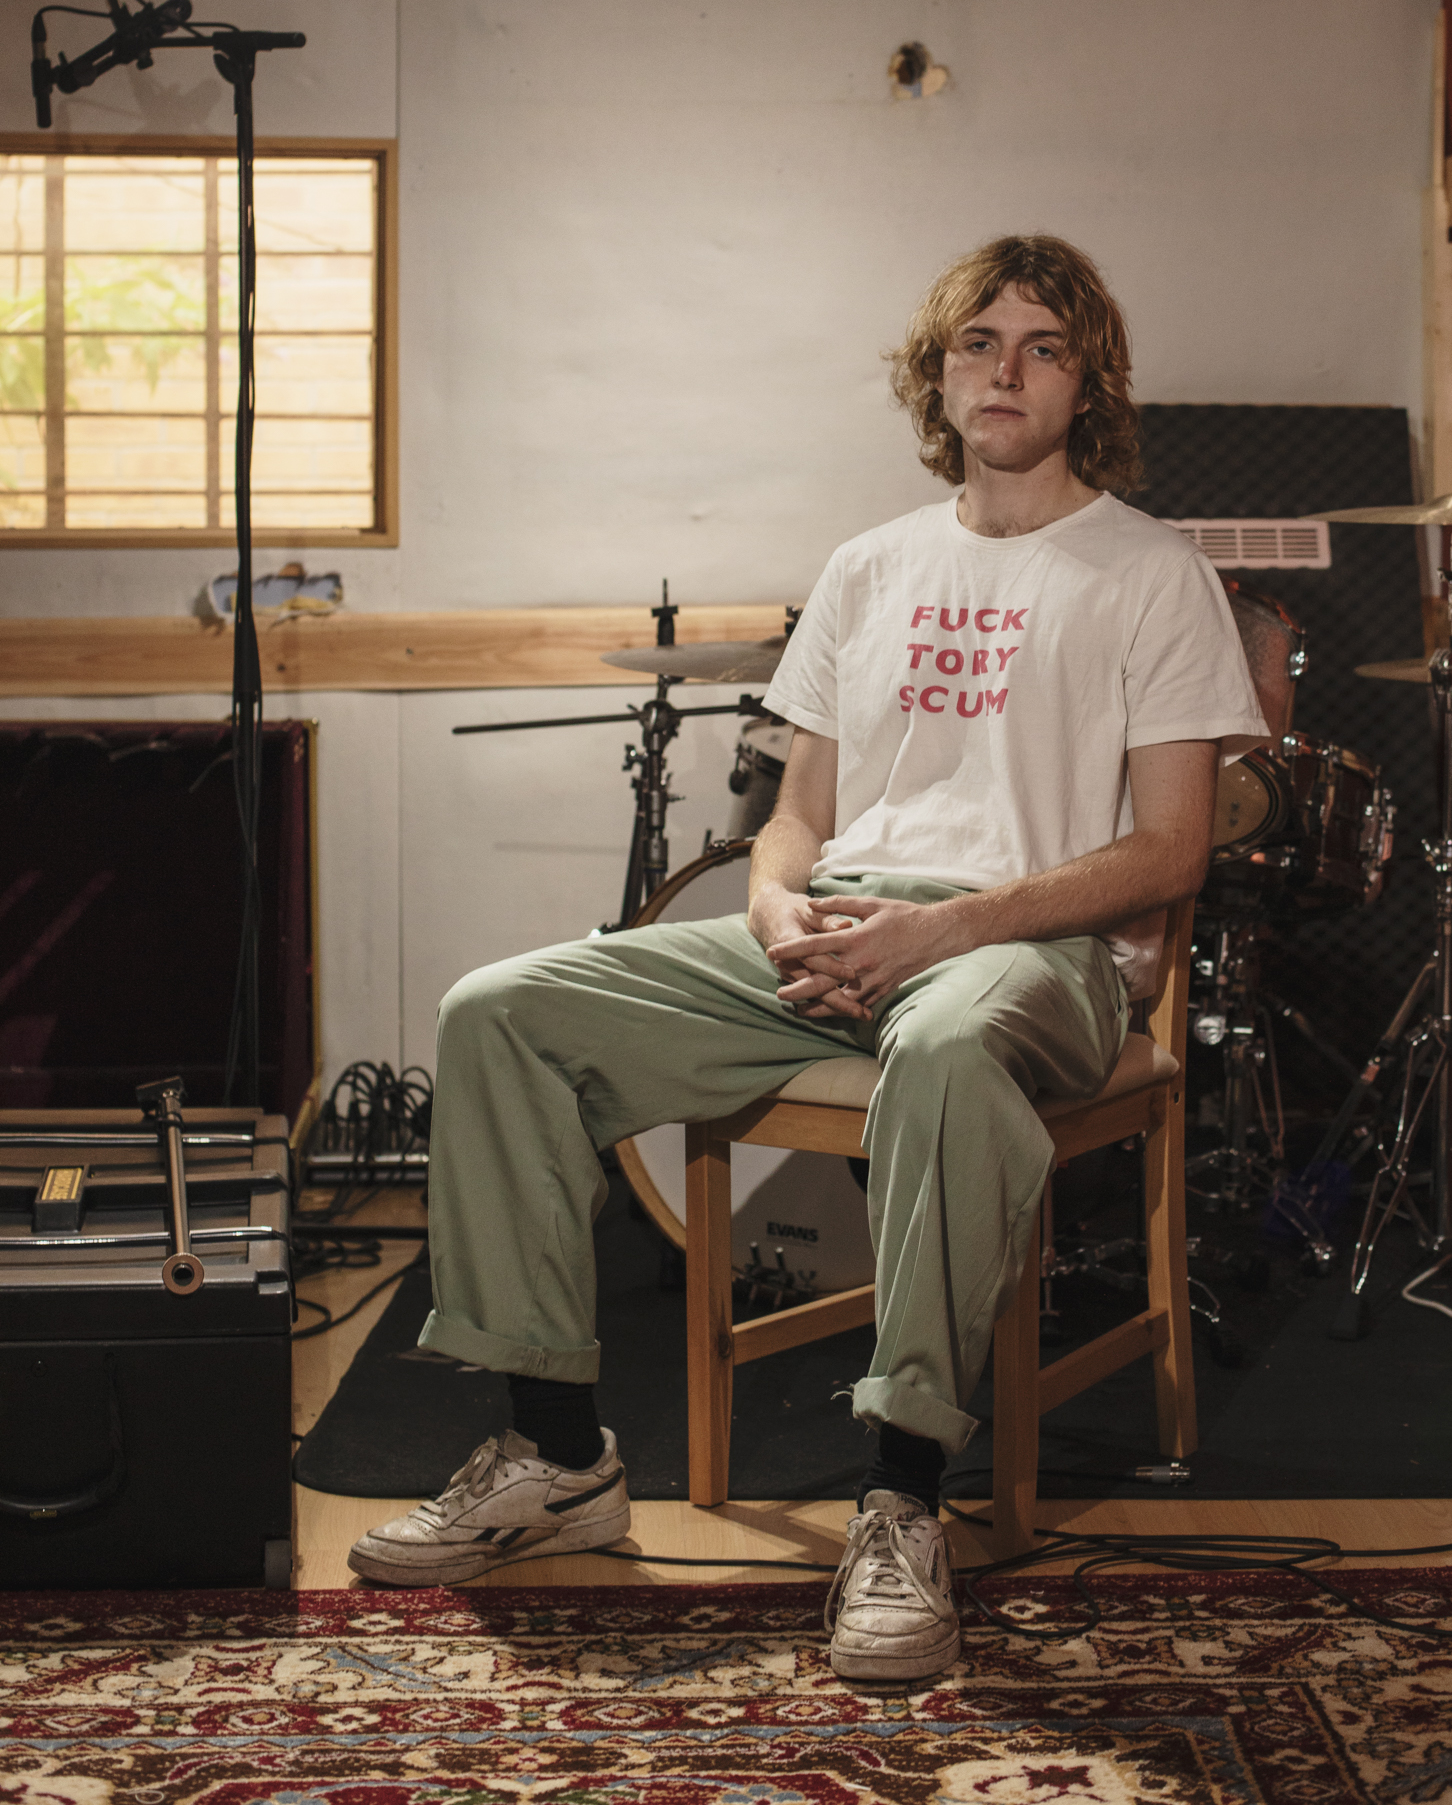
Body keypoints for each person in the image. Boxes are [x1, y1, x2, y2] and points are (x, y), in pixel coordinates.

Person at [348, 234, 1267, 1683]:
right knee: (502, 1014)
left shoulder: (1151, 573)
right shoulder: (869, 565)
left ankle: (902, 1499)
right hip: (838, 930)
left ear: (1088, 380)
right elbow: (799, 822)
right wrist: (781, 914)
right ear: (939, 374)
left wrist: (943, 930)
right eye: (979, 343)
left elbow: (1172, 854)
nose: (1005, 371)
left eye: (1041, 345)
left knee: (950, 1045)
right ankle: (560, 1456)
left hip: (1035, 948)